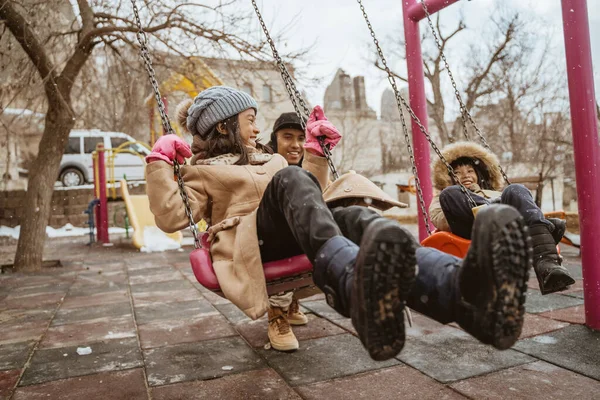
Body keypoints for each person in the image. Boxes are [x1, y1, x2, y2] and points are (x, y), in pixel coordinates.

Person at [145, 86, 531, 361]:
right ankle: (350, 280)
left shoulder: (271, 161)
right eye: (250, 121)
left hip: (293, 233)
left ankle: (465, 295)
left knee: (354, 217)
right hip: (250, 244)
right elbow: (171, 217)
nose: (257, 129)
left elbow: (309, 200)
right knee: (291, 179)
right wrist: (160, 164)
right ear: (225, 126)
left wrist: (316, 154)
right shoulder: (198, 173)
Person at [429, 141, 575, 295]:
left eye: (470, 170)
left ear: (478, 174)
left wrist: (496, 203)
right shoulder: (446, 195)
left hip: (506, 229)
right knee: (450, 193)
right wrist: (474, 207)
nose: (465, 175)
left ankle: (548, 267)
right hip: (473, 230)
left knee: (515, 189)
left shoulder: (493, 193)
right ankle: (544, 226)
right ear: (448, 177)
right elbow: (438, 218)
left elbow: (523, 207)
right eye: (457, 172)